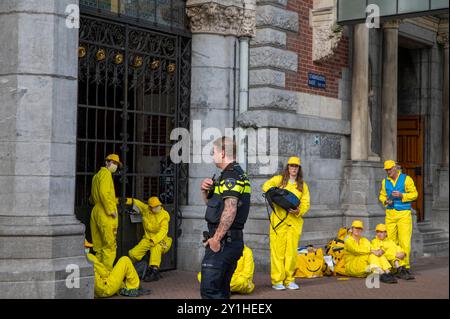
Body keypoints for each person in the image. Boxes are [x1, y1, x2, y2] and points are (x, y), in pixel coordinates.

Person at [199, 136, 251, 299]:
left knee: (209, 291)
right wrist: (204, 191)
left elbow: (230, 210)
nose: (212, 155)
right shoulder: (232, 174)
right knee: (221, 291)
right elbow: (214, 207)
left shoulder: (231, 176)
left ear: (222, 153)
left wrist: (216, 239)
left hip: (223, 243)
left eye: (213, 151)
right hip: (228, 241)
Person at [262, 156, 310, 290]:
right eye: (291, 166)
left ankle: (289, 280)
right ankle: (277, 281)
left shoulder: (302, 186)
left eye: (296, 166)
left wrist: (299, 211)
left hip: (294, 224)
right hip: (278, 223)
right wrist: (275, 193)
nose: (293, 168)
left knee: (291, 254)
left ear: (299, 169)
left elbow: (306, 203)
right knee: (277, 253)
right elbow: (266, 186)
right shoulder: (279, 180)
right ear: (287, 167)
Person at [379, 160, 417, 279]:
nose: (388, 171)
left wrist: (402, 196)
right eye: (386, 170)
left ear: (395, 168)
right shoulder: (385, 181)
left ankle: (404, 266)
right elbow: (382, 195)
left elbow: (415, 194)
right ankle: (396, 266)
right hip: (390, 214)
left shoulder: (406, 179)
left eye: (390, 169)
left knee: (404, 241)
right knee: (390, 241)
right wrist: (385, 201)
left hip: (404, 213)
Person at [126, 196, 172, 282]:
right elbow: (135, 202)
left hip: (162, 241)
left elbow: (163, 232)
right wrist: (120, 201)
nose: (158, 208)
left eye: (158, 205)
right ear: (150, 207)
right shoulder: (146, 209)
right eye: (155, 206)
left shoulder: (164, 215)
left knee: (156, 248)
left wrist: (154, 240)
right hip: (147, 239)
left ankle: (154, 271)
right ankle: (142, 265)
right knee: (133, 253)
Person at [84, 240, 150, 298]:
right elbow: (104, 273)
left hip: (97, 292)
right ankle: (133, 288)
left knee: (118, 275)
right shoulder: (89, 257)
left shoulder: (79, 260)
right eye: (86, 247)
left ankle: (124, 286)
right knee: (125, 260)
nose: (88, 249)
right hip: (106, 288)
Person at [90, 154, 122, 270]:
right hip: (104, 212)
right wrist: (110, 210)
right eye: (114, 163)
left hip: (96, 210)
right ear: (107, 162)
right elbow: (104, 193)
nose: (116, 166)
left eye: (117, 164)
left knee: (98, 247)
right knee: (109, 246)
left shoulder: (96, 176)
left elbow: (93, 197)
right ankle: (107, 275)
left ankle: (97, 274)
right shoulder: (106, 174)